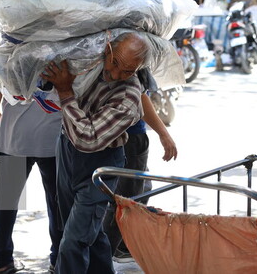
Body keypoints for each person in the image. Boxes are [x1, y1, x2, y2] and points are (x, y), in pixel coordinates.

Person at [42, 32, 148, 274]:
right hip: (68, 151)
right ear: (107, 50)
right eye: (115, 63)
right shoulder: (89, 63)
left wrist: (65, 91)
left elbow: (87, 138)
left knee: (73, 242)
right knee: (86, 229)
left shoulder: (129, 98)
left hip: (101, 164)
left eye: (128, 71)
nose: (116, 74)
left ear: (138, 69)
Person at [0, 80, 62, 274]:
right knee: (57, 203)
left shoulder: (3, 56)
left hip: (14, 139)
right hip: (52, 139)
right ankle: (59, 260)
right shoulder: (58, 51)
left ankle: (1, 261)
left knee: (6, 202)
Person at [102, 68, 178, 263]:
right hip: (128, 136)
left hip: (102, 136)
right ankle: (106, 253)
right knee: (126, 199)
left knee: (133, 191)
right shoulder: (126, 53)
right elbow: (140, 97)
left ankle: (117, 246)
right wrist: (164, 133)